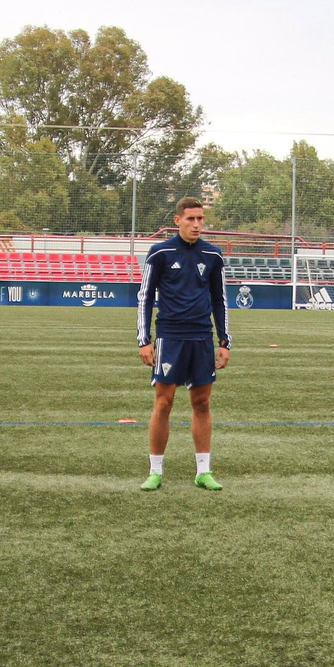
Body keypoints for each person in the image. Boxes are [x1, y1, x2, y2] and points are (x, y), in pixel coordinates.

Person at [136, 197, 231, 491]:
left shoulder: (213, 256)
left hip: (202, 337)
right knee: (163, 403)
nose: (197, 224)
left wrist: (224, 340)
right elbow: (145, 297)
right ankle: (155, 471)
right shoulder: (160, 252)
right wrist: (144, 340)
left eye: (200, 219)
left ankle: (203, 471)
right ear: (177, 221)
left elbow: (220, 300)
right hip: (169, 337)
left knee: (201, 403)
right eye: (190, 219)